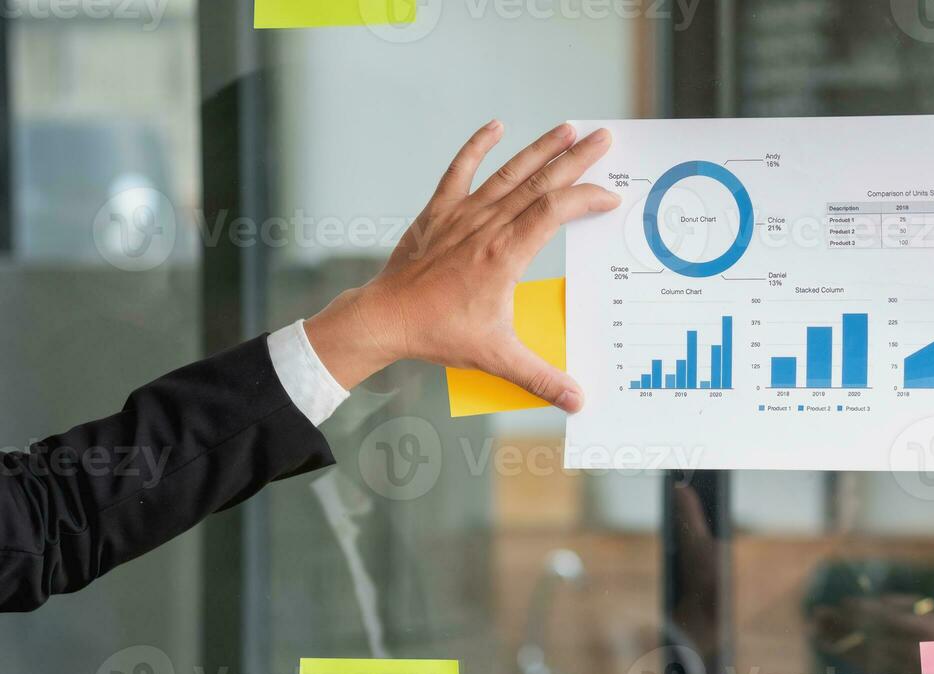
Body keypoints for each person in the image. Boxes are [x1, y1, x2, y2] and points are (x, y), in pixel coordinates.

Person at [0, 120, 618, 613]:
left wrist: (374, 329)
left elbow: (43, 518)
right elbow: (46, 521)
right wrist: (374, 325)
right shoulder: (82, 349)